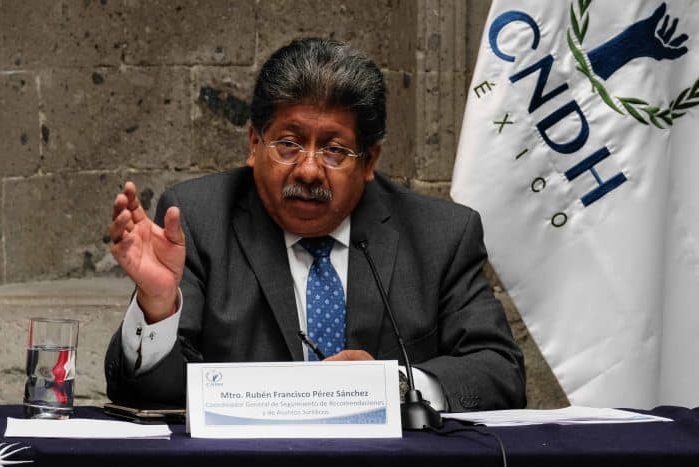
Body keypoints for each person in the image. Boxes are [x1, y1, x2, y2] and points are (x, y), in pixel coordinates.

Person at [105, 37, 526, 411]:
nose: (308, 170)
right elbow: (146, 394)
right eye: (288, 144)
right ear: (254, 144)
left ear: (369, 162)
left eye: (334, 150)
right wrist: (157, 308)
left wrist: (396, 385)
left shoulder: (439, 235)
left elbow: (499, 371)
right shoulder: (199, 220)